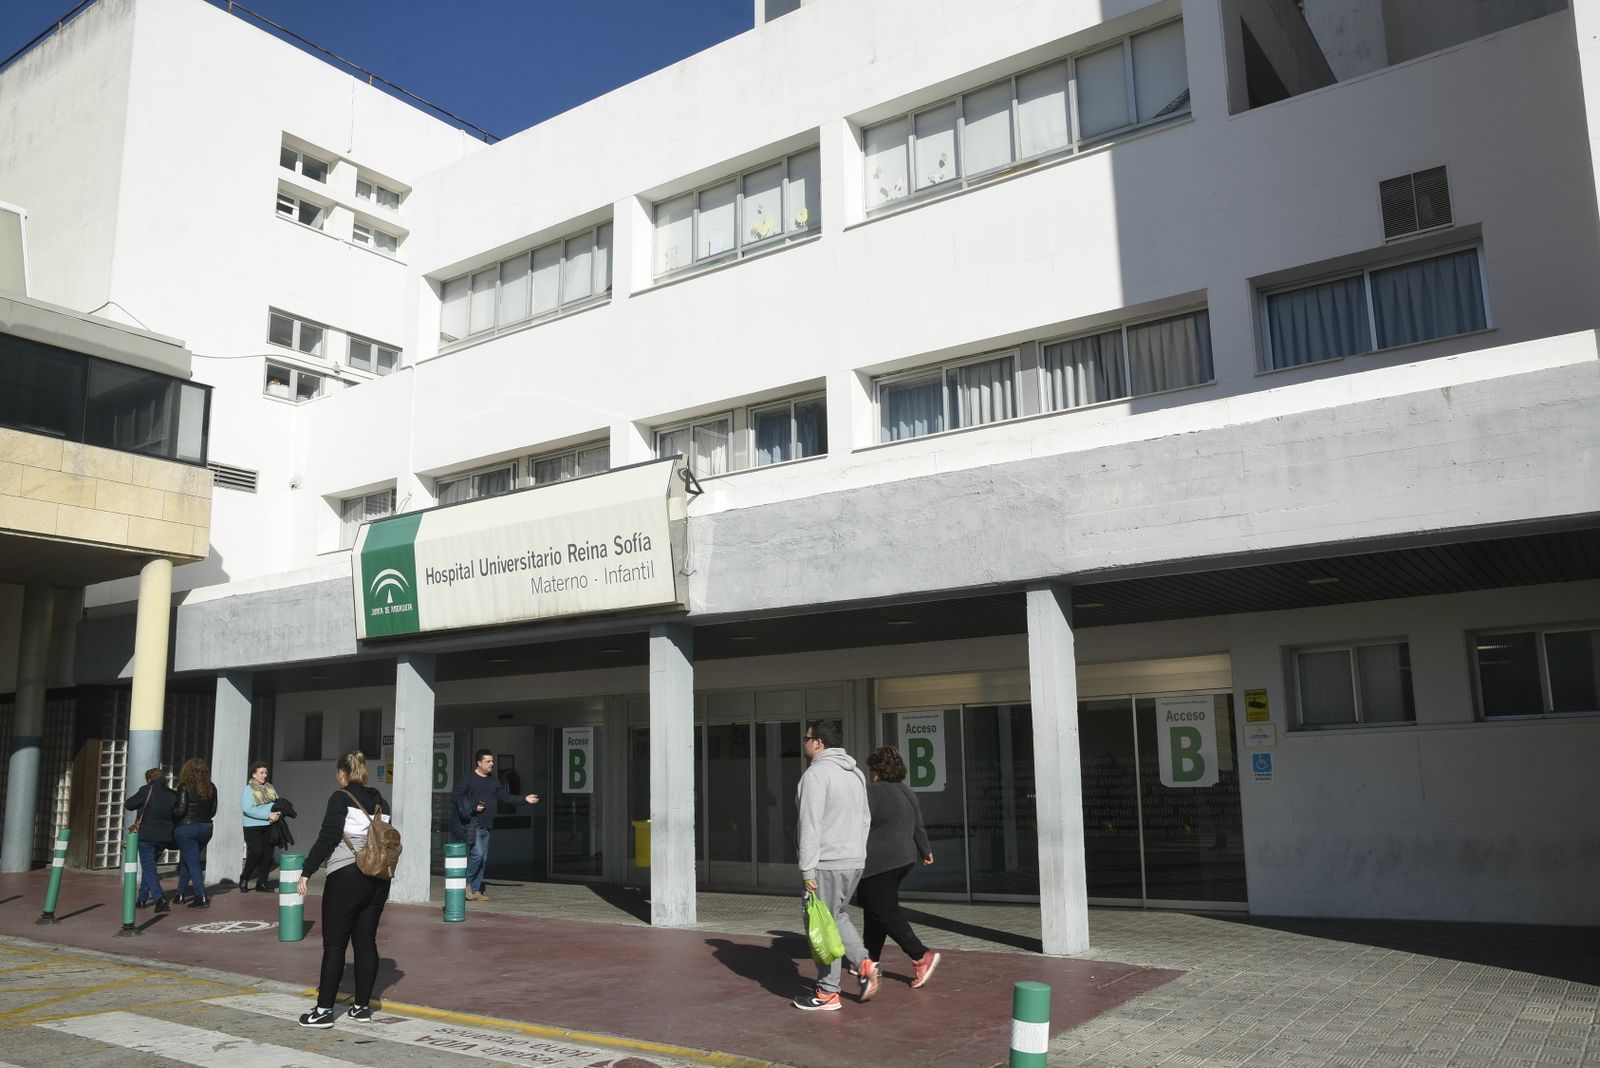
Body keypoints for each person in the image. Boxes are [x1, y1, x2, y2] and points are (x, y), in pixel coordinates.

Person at [296, 750, 392, 1029]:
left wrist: (307, 870)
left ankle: (323, 1011)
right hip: (378, 877)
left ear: (342, 774)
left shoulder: (340, 798)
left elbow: (328, 837)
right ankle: (361, 1007)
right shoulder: (382, 802)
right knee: (366, 942)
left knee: (335, 944)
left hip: (347, 875)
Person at [792, 719, 875, 1011]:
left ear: (818, 743)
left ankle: (828, 991)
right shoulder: (855, 773)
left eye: (806, 738)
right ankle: (863, 963)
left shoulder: (816, 774)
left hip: (826, 862)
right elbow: (865, 819)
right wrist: (857, 852)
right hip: (853, 860)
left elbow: (810, 823)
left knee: (819, 924)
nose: (804, 743)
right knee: (836, 915)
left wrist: (807, 868)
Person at [861, 746, 940, 989]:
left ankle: (921, 955)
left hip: (880, 862)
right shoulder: (907, 791)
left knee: (883, 911)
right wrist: (925, 850)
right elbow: (918, 824)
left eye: (871, 768)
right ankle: (869, 961)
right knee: (874, 910)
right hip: (904, 859)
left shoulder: (872, 792)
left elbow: (859, 824)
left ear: (877, 770)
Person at [450, 749, 539, 901]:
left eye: (492, 761)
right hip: (472, 823)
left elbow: (505, 797)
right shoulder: (468, 778)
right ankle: (466, 884)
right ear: (479, 763)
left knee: (483, 858)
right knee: (477, 854)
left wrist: (524, 799)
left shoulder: (493, 780)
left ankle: (475, 890)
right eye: (488, 761)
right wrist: (473, 806)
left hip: (486, 824)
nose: (492, 764)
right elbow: (455, 797)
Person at [124, 768, 177, 914]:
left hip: (147, 836)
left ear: (149, 779)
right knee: (150, 867)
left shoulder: (145, 790)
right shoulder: (172, 794)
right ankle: (142, 898)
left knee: (148, 867)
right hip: (164, 836)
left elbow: (129, 804)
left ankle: (160, 898)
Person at [171, 757, 218, 908]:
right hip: (206, 828)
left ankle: (201, 895)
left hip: (187, 828)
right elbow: (213, 811)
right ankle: (180, 894)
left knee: (193, 863)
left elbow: (180, 810)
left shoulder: (184, 786)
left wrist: (170, 812)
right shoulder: (211, 787)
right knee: (189, 859)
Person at [239, 760, 283, 892]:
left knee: (268, 854)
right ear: (254, 774)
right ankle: (244, 878)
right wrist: (268, 815)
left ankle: (262, 883)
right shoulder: (248, 790)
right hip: (252, 827)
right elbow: (248, 809)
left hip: (269, 825)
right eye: (261, 773)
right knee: (256, 852)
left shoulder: (270, 788)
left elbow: (277, 803)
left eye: (265, 772)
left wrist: (278, 813)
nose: (264, 775)